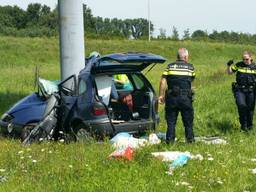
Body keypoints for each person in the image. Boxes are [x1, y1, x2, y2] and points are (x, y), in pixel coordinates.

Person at [159, 48, 196, 143]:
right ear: (186, 57)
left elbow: (163, 81)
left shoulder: (170, 66)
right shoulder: (190, 67)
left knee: (171, 121)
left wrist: (161, 95)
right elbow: (190, 81)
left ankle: (170, 142)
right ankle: (190, 141)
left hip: (171, 97)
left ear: (177, 57)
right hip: (185, 98)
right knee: (188, 121)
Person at [226, 51, 256, 132]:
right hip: (240, 90)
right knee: (241, 106)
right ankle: (243, 126)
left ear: (251, 58)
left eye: (246, 59)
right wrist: (229, 65)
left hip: (251, 91)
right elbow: (229, 72)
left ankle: (249, 127)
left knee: (250, 109)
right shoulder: (239, 65)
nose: (244, 61)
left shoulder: (255, 66)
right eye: (243, 59)